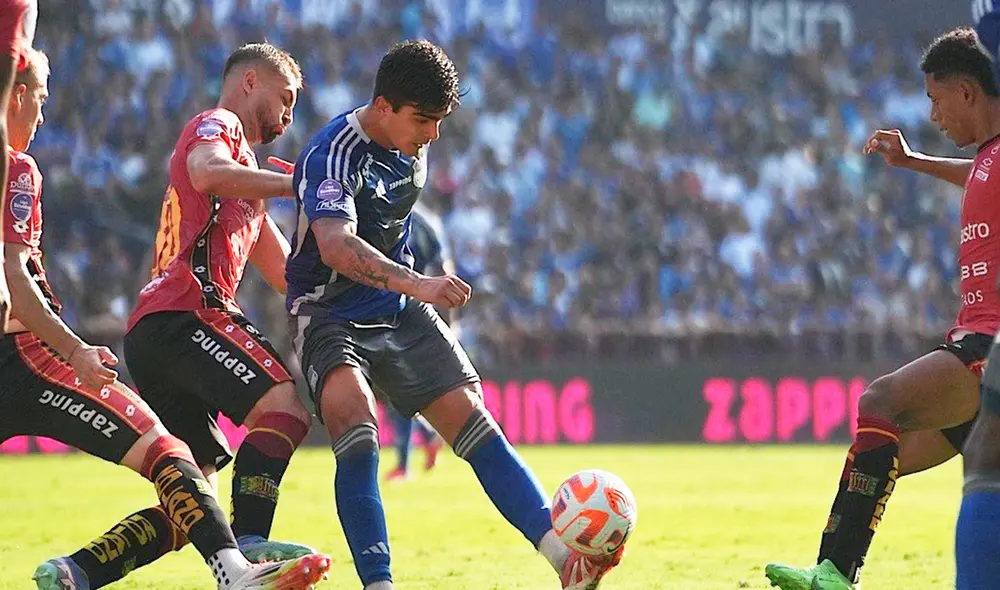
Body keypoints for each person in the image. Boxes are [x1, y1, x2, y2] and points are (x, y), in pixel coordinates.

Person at [286, 39, 623, 590]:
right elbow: (335, 246)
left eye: (441, 121)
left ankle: (568, 561)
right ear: (383, 106)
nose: (434, 135)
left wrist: (409, 287)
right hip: (328, 311)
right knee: (355, 416)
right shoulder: (333, 154)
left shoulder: (413, 147)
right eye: (424, 119)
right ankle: (380, 583)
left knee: (473, 421)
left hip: (396, 307)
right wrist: (418, 282)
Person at [0, 47, 330, 590]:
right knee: (286, 408)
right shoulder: (217, 127)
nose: (289, 114)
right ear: (250, 82)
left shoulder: (244, 185)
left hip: (158, 330)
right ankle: (247, 552)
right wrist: (297, 186)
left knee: (192, 498)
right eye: (286, 98)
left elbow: (289, 278)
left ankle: (77, 571)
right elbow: (205, 171)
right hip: (188, 312)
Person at [766, 27, 1000, 590]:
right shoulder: (989, 160)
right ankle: (830, 572)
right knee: (878, 457)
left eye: (935, 99)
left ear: (966, 91)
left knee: (880, 403)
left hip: (985, 347)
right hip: (976, 347)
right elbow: (976, 177)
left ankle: (836, 575)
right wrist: (915, 161)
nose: (934, 114)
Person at [384, 204, 450, 481]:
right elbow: (445, 268)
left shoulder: (385, 211)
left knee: (394, 391)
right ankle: (427, 435)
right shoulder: (430, 219)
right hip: (411, 310)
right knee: (392, 392)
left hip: (396, 310)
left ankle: (404, 462)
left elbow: (444, 271)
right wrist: (449, 322)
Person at [0, 0, 37, 337]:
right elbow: (13, 271)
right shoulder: (19, 167)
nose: (41, 118)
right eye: (41, 100)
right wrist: (75, 351)